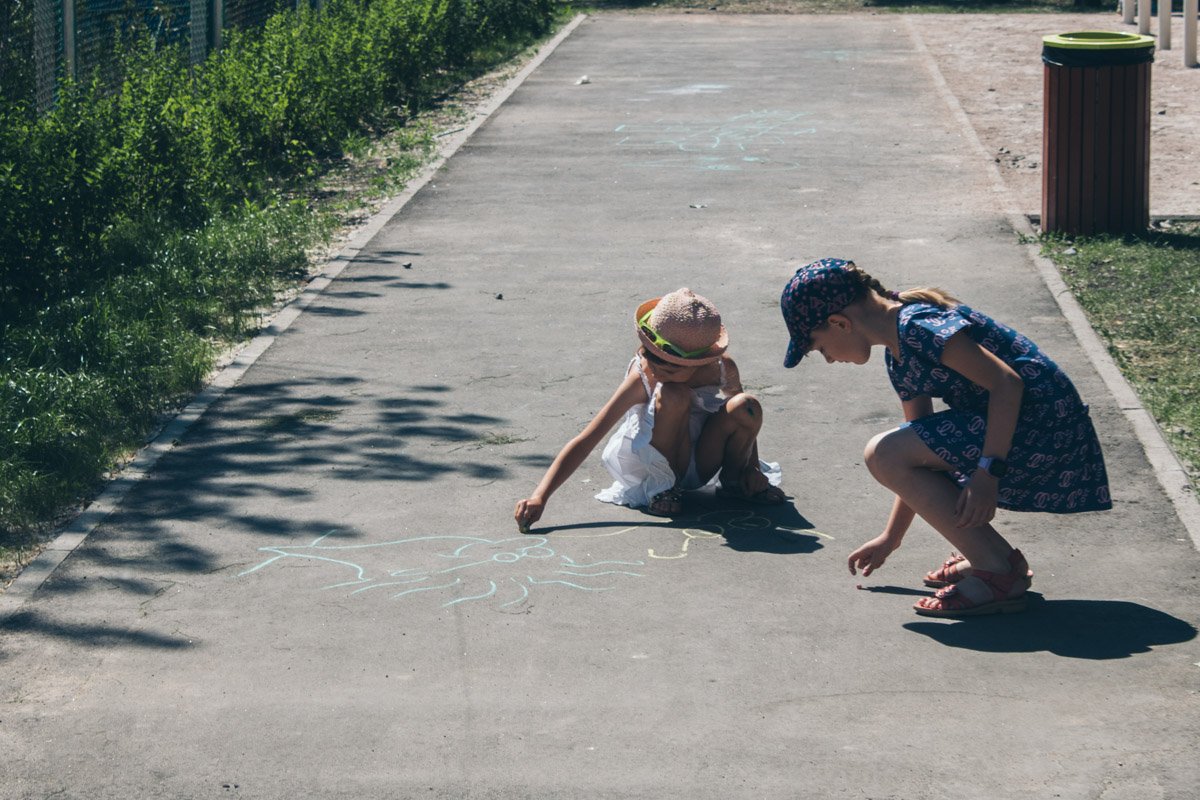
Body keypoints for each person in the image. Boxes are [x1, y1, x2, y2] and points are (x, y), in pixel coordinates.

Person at [780, 258, 1111, 618]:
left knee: (881, 451)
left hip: (1046, 431)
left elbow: (1007, 383)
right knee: (890, 451)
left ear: (839, 323)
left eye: (818, 347)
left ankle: (996, 572)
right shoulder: (899, 352)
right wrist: (892, 538)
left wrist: (988, 472)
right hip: (1024, 431)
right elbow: (914, 457)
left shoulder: (917, 327)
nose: (827, 359)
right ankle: (996, 560)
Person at [515, 288, 786, 531]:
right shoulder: (643, 375)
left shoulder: (721, 369)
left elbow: (745, 425)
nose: (656, 368)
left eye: (669, 366)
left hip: (702, 455)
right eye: (650, 354)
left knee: (747, 406)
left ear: (698, 363)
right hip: (657, 459)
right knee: (673, 393)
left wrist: (751, 466)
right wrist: (541, 495)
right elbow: (587, 438)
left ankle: (737, 481)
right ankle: (664, 488)